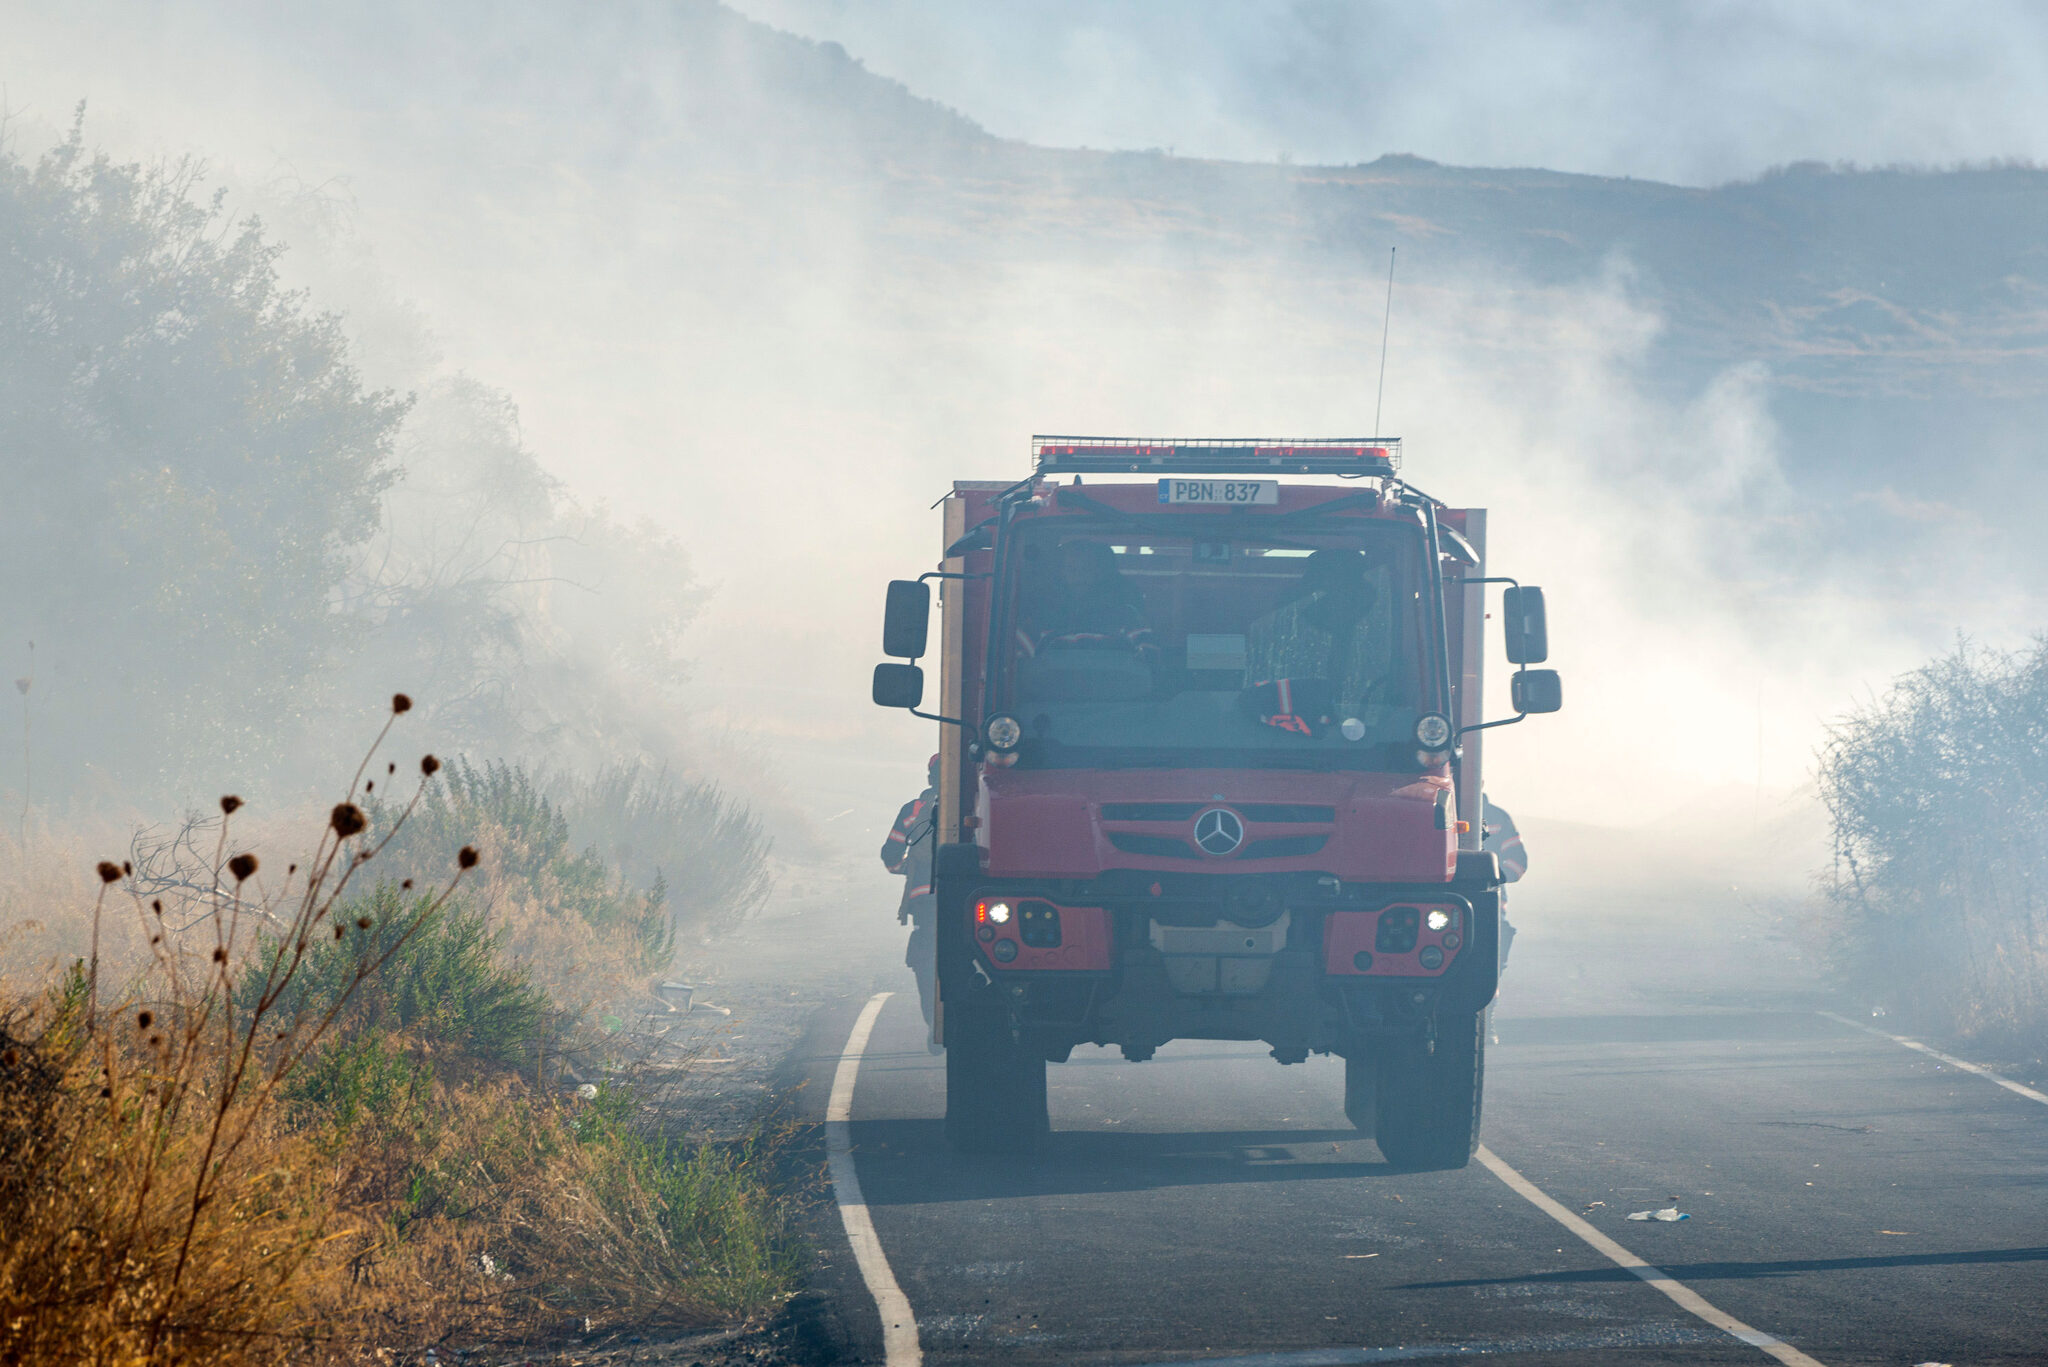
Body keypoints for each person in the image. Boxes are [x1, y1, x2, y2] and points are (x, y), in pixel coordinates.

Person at [881, 754, 941, 1039]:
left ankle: (934, 1023)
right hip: (972, 902)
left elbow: (890, 854)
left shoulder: (913, 810)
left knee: (925, 960)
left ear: (930, 778)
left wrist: (908, 870)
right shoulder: (977, 801)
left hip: (924, 900)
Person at [1021, 540, 1154, 654]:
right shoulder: (1041, 615)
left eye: (1086, 569)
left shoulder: (1127, 616)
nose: (1079, 577)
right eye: (1072, 569)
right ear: (1061, 573)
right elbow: (1017, 661)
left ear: (1099, 573)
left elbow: (1148, 659)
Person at [1481, 796, 1527, 965]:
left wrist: (1491, 877)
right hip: (1444, 902)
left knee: (1491, 957)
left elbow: (1517, 861)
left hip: (1490, 902)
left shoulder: (1496, 817)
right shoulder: (1431, 811)